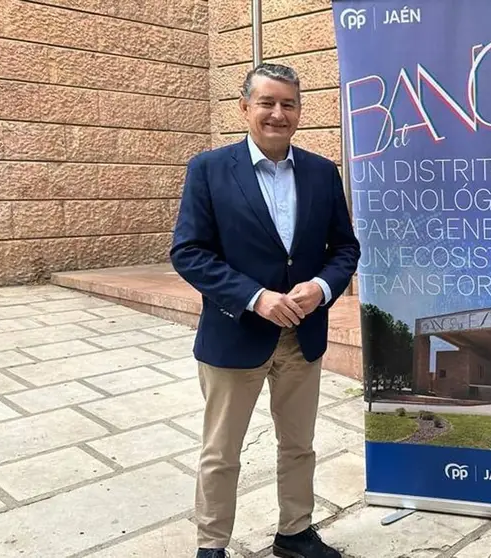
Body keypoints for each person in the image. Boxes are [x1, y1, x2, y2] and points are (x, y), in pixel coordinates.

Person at [170, 63, 360, 558]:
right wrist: (256, 297)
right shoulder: (209, 169)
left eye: (289, 104)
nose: (278, 113)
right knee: (221, 451)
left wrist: (321, 287)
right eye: (267, 103)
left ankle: (295, 532)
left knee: (298, 444)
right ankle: (211, 545)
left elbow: (344, 248)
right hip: (235, 335)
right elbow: (188, 252)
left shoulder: (322, 172)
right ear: (245, 108)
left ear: (299, 110)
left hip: (303, 337)